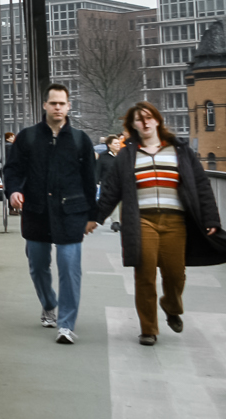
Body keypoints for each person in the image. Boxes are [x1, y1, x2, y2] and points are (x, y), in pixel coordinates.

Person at [88, 102, 225, 346]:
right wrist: (94, 218)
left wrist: (212, 218)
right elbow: (111, 190)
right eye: (139, 119)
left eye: (149, 117)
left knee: (175, 275)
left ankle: (171, 305)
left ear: (158, 120)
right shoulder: (127, 155)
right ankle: (148, 329)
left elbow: (201, 185)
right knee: (145, 275)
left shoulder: (179, 150)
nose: (145, 122)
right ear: (133, 126)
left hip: (175, 222)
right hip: (142, 221)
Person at [4, 83, 97, 344]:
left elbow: (91, 180)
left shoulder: (80, 140)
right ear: (45, 105)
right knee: (38, 265)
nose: (57, 107)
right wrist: (12, 192)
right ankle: (48, 303)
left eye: (62, 103)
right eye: (53, 103)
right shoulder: (28, 137)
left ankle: (66, 325)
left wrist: (93, 216)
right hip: (36, 212)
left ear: (69, 106)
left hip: (71, 213)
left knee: (69, 268)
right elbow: (12, 170)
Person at [97, 135, 123, 229]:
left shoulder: (122, 156)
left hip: (122, 183)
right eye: (115, 143)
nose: (118, 145)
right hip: (108, 184)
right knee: (113, 202)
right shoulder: (103, 157)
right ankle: (115, 222)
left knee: (122, 203)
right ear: (109, 145)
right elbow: (97, 170)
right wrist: (96, 182)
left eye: (118, 143)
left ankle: (122, 221)